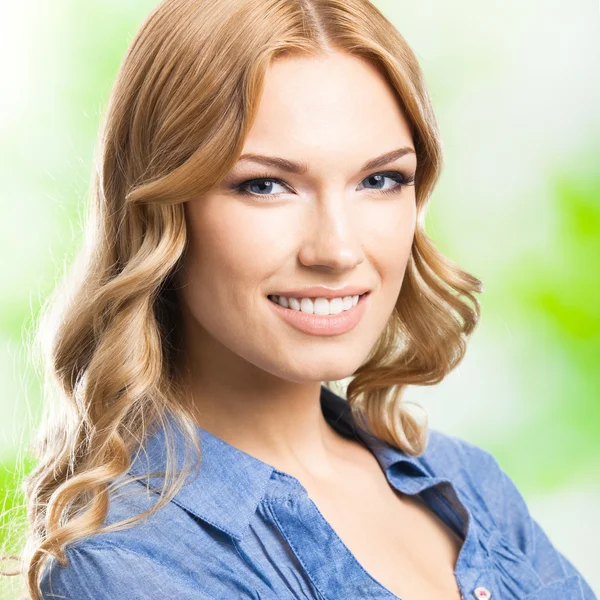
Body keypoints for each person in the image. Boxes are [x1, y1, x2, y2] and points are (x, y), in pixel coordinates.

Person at [4, 0, 595, 599]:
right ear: (161, 212)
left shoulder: (467, 483)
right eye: (265, 185)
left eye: (380, 180)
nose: (337, 250)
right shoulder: (132, 563)